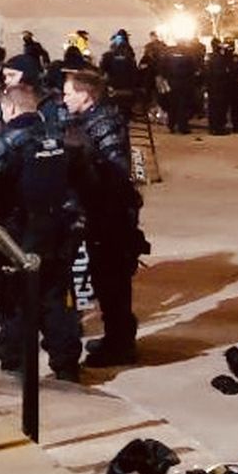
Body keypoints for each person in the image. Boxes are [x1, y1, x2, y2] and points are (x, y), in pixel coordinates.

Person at [0, 84, 83, 381]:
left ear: (11, 109)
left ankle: (16, 365)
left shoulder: (7, 144)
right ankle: (66, 364)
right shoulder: (62, 138)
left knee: (14, 304)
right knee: (55, 301)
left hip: (15, 238)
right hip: (58, 234)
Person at [63, 70, 148, 367]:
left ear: (86, 95)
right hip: (99, 213)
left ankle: (121, 345)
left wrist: (85, 171)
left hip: (110, 217)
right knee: (104, 280)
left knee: (112, 282)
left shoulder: (105, 123)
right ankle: (116, 337)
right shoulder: (87, 120)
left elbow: (116, 171)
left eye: (69, 93)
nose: (64, 98)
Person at [100, 29, 140, 121]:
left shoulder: (108, 56)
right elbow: (135, 74)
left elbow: (101, 72)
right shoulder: (130, 58)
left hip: (113, 91)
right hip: (129, 92)